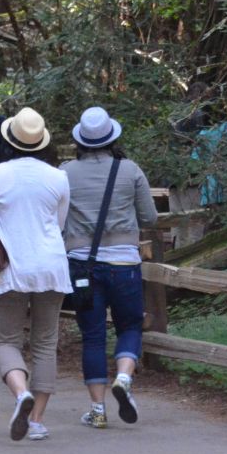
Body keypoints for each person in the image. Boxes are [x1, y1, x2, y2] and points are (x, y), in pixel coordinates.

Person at [62, 107, 157, 428]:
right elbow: (150, 218)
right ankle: (124, 379)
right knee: (130, 326)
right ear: (112, 137)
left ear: (81, 141)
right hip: (124, 264)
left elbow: (57, 219)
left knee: (92, 336)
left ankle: (98, 410)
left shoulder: (66, 173)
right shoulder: (130, 170)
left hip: (82, 268)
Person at [0, 107, 70, 442]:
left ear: (10, 140)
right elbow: (59, 225)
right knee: (46, 342)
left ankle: (21, 394)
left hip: (11, 268)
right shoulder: (58, 177)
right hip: (51, 266)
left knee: (6, 340)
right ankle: (36, 421)